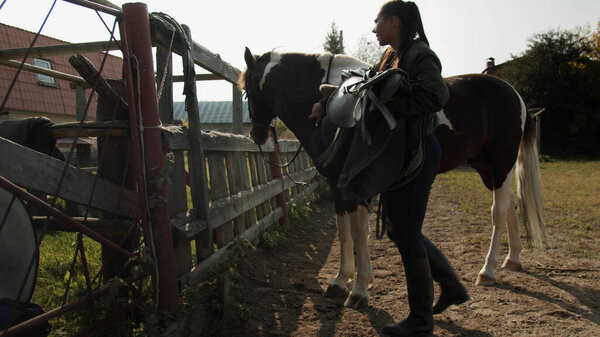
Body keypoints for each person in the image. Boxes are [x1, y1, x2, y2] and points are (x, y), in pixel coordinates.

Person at [310, 1, 468, 336]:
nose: (373, 28)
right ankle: (450, 285)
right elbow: (366, 84)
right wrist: (327, 102)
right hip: (401, 153)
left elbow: (437, 95)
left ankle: (421, 322)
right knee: (400, 230)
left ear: (393, 21)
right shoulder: (390, 56)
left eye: (377, 21)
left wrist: (397, 104)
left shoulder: (420, 55)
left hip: (418, 152)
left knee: (406, 233)